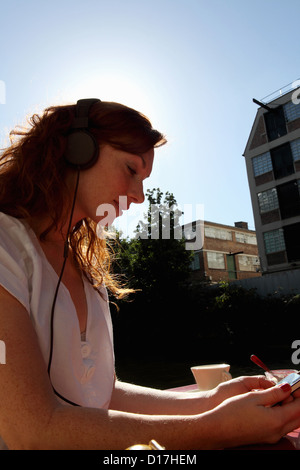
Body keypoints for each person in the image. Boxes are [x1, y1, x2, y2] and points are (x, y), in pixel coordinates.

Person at [0, 98, 300, 451]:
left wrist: (212, 401)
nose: (140, 196)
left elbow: (103, 394)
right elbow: (32, 430)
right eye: (131, 169)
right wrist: (214, 428)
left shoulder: (84, 270)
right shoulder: (7, 247)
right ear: (76, 150)